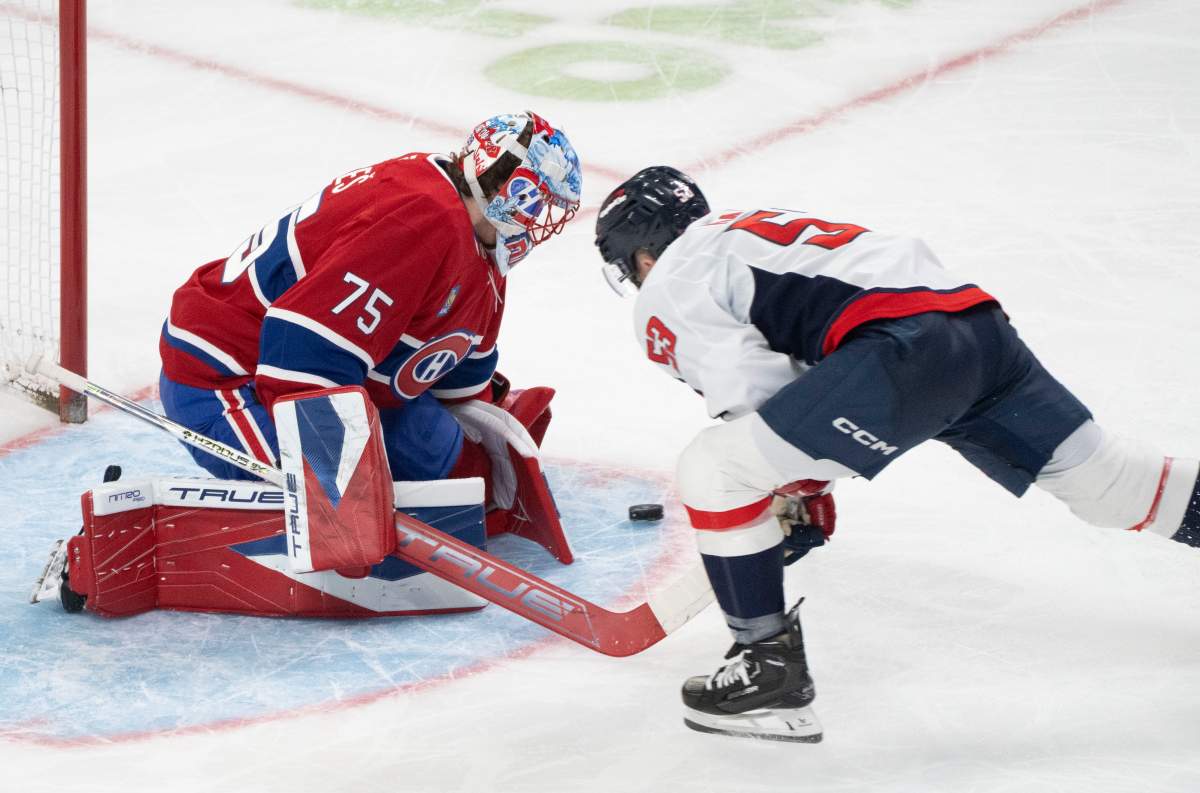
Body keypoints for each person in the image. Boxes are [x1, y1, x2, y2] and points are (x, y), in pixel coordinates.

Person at [593, 165, 1200, 743]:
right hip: (978, 330)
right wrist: (802, 476)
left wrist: (798, 489)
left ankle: (767, 670)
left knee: (713, 469)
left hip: (906, 350)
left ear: (645, 253)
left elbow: (756, 396)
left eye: (632, 266)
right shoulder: (743, 230)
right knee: (1113, 485)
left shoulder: (674, 277)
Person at [158, 112, 582, 533]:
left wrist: (486, 453)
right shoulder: (423, 217)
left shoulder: (476, 240)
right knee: (343, 516)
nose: (541, 221)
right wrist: (341, 496)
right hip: (229, 377)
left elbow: (459, 369)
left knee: (463, 485)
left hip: (337, 375)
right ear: (513, 191)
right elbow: (303, 352)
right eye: (539, 203)